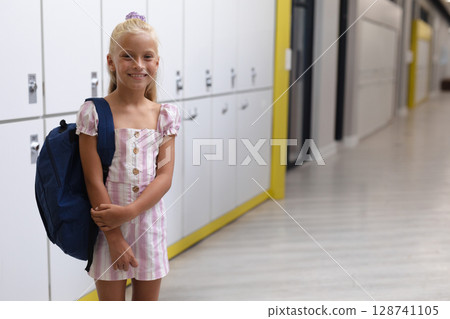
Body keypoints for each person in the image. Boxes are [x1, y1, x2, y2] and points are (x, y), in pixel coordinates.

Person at [76, 12, 180, 301]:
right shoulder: (93, 113)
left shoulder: (165, 116)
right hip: (106, 232)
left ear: (157, 63)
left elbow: (165, 177)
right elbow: (92, 179)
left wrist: (130, 212)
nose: (138, 65)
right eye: (127, 56)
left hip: (150, 228)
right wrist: (114, 235)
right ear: (111, 62)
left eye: (147, 56)